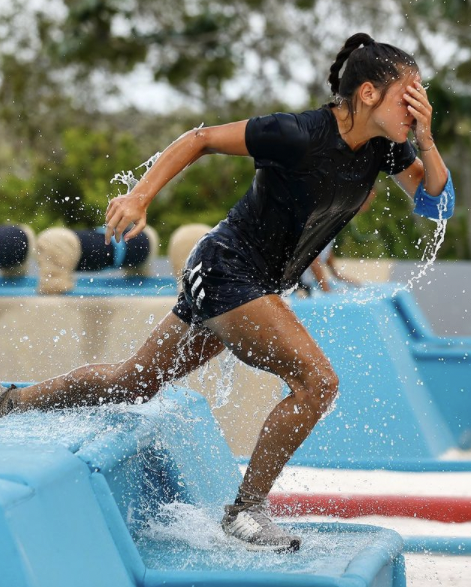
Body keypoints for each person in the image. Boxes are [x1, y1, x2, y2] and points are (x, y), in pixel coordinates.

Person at [0, 32, 455, 553]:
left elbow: (437, 205)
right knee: (317, 382)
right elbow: (200, 138)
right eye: (410, 95)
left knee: (132, 382)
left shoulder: (387, 151)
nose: (419, 107)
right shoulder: (297, 133)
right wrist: (140, 196)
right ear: (370, 93)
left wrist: (427, 142)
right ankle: (245, 511)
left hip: (249, 281)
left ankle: (11, 403)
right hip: (225, 269)